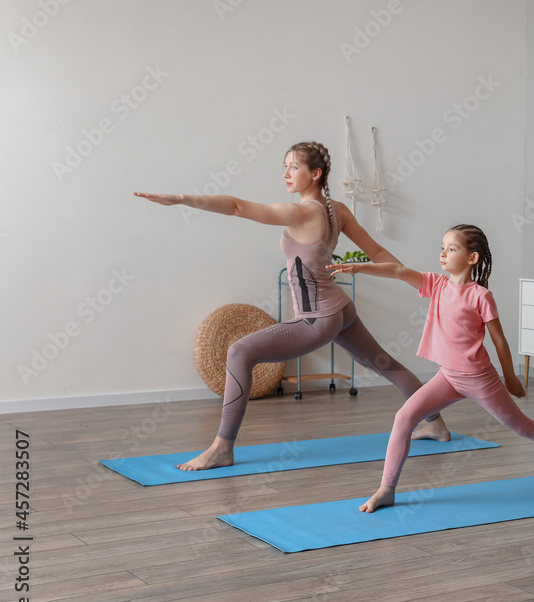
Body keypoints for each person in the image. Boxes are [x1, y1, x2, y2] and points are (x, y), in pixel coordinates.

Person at [134, 141, 450, 471]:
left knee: (239, 352)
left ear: (316, 173)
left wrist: (182, 199)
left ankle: (221, 448)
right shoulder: (336, 209)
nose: (286, 173)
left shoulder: (299, 212)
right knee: (385, 364)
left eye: (294, 167)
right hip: (341, 310)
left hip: (318, 319)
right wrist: (421, 283)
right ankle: (437, 425)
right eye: (284, 165)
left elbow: (237, 207)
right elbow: (378, 252)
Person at [329, 224, 534, 513]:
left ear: (472, 258)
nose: (443, 253)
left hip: (480, 380)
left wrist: (510, 377)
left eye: (452, 249)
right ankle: (387, 489)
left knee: (521, 426)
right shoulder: (436, 285)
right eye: (442, 247)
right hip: (447, 377)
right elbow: (399, 272)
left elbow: (499, 340)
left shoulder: (480, 296)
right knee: (403, 418)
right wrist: (359, 269)